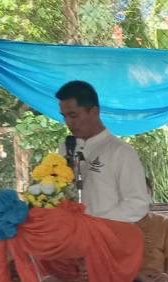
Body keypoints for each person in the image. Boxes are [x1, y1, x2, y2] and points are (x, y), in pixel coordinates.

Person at [55, 80, 149, 223]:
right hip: (70, 232)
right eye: (64, 116)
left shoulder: (121, 151)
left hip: (106, 233)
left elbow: (137, 204)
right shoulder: (66, 147)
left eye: (73, 115)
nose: (68, 122)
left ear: (94, 111)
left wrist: (96, 224)